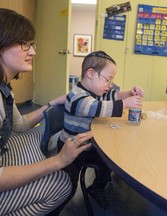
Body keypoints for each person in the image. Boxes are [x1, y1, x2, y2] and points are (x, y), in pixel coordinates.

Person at [0, 8, 92, 215]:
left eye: (32, 44)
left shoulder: (4, 88)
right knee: (62, 184)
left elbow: (19, 125)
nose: (32, 52)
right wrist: (57, 161)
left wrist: (53, 102)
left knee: (44, 139)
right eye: (24, 43)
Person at [56, 50, 144, 209]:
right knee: (67, 187)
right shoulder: (76, 96)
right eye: (108, 79)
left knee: (108, 159)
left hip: (87, 145)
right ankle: (55, 209)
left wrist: (128, 94)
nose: (109, 84)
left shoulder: (94, 91)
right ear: (90, 73)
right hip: (70, 149)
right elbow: (98, 107)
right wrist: (126, 103)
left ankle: (97, 188)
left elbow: (112, 96)